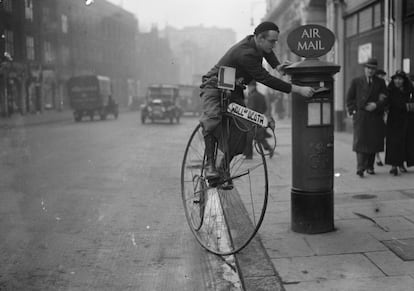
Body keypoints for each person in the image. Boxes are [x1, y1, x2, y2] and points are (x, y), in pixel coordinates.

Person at [200, 21, 314, 179]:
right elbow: (265, 79)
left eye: (276, 41)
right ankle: (210, 165)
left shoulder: (255, 43)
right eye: (272, 41)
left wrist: (278, 66)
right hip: (214, 85)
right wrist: (298, 89)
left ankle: (223, 169)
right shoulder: (245, 53)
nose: (274, 45)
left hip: (234, 90)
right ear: (260, 38)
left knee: (243, 131)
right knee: (212, 118)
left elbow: (267, 53)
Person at [346, 58, 387, 177]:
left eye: (373, 69)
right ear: (365, 68)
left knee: (373, 142)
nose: (370, 71)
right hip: (361, 116)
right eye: (368, 68)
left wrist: (376, 105)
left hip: (375, 116)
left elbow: (385, 99)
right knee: (360, 142)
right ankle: (360, 168)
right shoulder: (356, 81)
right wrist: (353, 111)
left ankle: (370, 166)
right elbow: (350, 98)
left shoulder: (380, 82)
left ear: (375, 70)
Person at [384, 70, 414, 175]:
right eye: (396, 79)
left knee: (405, 143)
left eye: (400, 79)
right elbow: (388, 103)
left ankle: (401, 163)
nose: (398, 81)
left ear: (404, 80)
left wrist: (411, 106)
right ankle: (394, 166)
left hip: (407, 121)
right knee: (393, 143)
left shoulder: (409, 90)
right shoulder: (390, 90)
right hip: (393, 121)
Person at [244, 81, 273, 159]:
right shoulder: (261, 96)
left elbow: (250, 109)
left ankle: (248, 155)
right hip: (260, 119)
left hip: (252, 120)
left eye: (249, 86)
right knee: (259, 137)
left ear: (253, 86)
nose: (248, 88)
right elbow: (265, 108)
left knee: (249, 137)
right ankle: (269, 149)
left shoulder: (252, 96)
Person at [374, 69, 387, 166]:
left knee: (381, 137)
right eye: (380, 76)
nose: (382, 78)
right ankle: (377, 157)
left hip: (384, 115)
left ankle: (378, 156)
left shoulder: (385, 86)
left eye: (383, 76)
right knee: (376, 137)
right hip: (374, 115)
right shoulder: (372, 86)